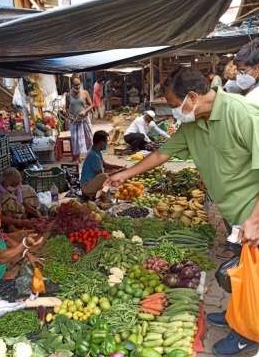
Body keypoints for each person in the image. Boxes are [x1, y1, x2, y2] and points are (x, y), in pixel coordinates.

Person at [105, 67, 259, 356]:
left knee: (257, 280)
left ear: (192, 97)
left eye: (176, 106)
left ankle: (248, 334)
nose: (175, 112)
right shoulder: (193, 124)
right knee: (242, 273)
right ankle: (234, 316)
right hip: (234, 215)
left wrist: (254, 220)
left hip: (254, 213)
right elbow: (162, 154)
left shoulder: (243, 115)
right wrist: (125, 174)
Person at [81, 130, 124, 200]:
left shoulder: (96, 151)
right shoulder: (93, 156)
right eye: (106, 142)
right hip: (86, 188)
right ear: (101, 143)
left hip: (91, 182)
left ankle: (104, 191)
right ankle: (103, 194)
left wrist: (119, 167)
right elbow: (103, 175)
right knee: (104, 176)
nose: (107, 144)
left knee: (111, 170)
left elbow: (105, 165)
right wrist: (120, 172)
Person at [67, 76, 93, 163]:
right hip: (74, 121)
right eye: (75, 85)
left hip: (84, 120)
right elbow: (67, 108)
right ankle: (76, 157)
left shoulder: (85, 93)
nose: (77, 87)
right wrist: (69, 115)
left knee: (88, 138)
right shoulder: (68, 95)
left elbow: (92, 105)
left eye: (78, 85)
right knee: (75, 139)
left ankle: (90, 156)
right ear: (72, 85)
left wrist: (85, 111)